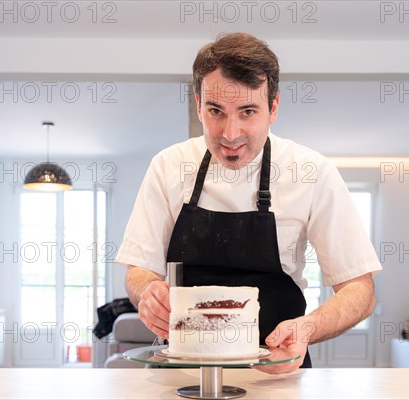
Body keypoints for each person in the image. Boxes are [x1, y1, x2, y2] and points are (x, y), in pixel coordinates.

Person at [116, 32, 382, 374]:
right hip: (182, 376)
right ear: (198, 104)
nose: (230, 133)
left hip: (276, 373)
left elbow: (360, 288)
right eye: (215, 111)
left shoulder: (312, 171)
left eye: (247, 111)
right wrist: (148, 294)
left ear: (273, 108)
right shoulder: (168, 166)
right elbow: (139, 269)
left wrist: (307, 327)